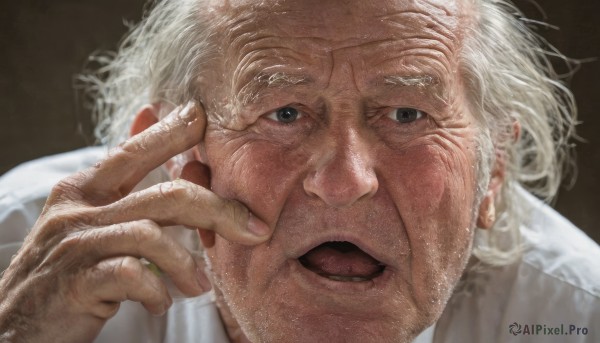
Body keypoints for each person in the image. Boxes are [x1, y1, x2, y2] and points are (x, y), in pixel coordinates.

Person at [0, 0, 598, 342]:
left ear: (492, 170)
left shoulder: (575, 318)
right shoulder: (19, 259)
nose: (344, 182)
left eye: (407, 113)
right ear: (175, 160)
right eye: (284, 113)